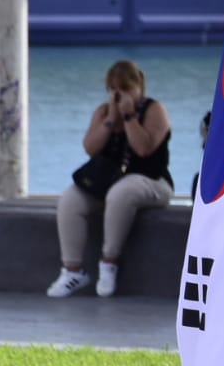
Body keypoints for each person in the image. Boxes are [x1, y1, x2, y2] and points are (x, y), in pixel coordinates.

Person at [47, 59, 174, 298]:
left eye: (125, 89)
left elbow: (143, 149)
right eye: (113, 89)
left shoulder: (155, 110)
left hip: (152, 181)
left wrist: (129, 118)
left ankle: (109, 263)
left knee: (122, 193)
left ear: (139, 87)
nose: (119, 95)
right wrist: (110, 120)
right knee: (70, 199)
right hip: (108, 181)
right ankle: (72, 270)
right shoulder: (104, 112)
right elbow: (90, 148)